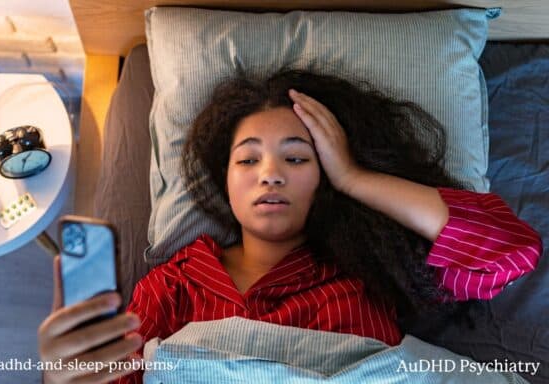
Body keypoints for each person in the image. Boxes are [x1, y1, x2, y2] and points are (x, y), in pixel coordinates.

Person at [38, 70, 543, 384]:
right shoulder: (173, 284)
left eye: (297, 157)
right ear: (226, 181)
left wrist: (355, 176)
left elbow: (507, 252)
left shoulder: (366, 269)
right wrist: (66, 375)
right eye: (248, 159)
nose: (270, 174)